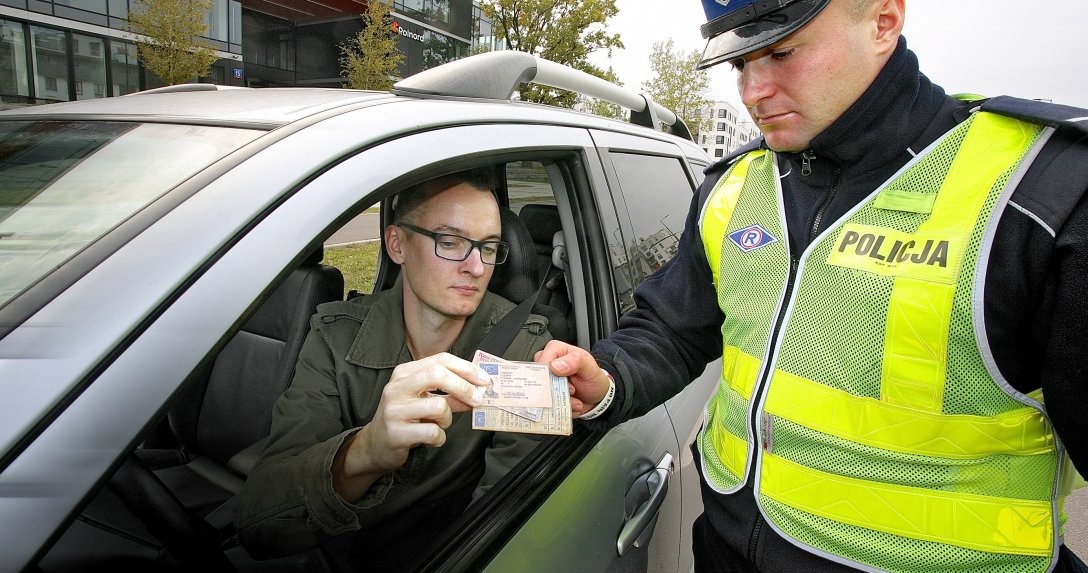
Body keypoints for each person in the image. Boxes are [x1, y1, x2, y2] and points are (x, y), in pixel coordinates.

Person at [537, 0, 1088, 571]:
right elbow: (673, 329)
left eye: (781, 53)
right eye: (740, 64)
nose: (753, 91)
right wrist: (607, 378)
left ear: (883, 21)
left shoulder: (1039, 194)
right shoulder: (735, 187)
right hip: (726, 549)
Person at [235, 167, 551, 568]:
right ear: (397, 245)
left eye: (488, 247)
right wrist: (366, 451)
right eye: (450, 242)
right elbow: (260, 525)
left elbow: (505, 523)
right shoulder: (336, 336)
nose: (476, 267)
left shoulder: (526, 351)